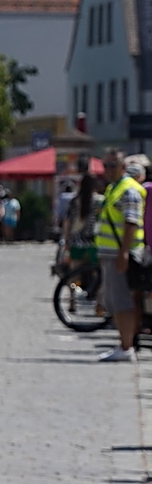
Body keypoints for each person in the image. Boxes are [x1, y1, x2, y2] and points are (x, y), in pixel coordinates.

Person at [92, 149, 142, 362]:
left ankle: (126, 347)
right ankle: (124, 343)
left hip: (119, 254)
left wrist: (123, 253)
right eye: (106, 166)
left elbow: (131, 223)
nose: (108, 170)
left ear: (123, 167)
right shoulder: (114, 188)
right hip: (110, 253)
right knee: (115, 300)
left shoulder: (128, 190)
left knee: (121, 301)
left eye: (113, 166)